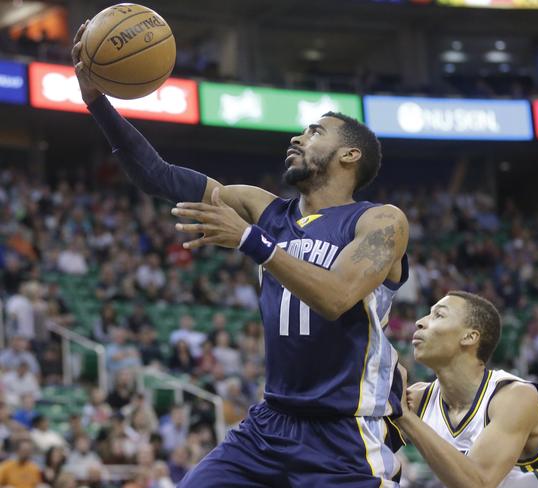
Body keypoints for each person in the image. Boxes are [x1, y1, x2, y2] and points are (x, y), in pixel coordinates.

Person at [72, 19, 409, 487]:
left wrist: (251, 241)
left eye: (314, 132)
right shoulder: (261, 207)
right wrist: (96, 101)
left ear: (350, 155)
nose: (297, 138)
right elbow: (158, 175)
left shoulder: (380, 220)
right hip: (271, 424)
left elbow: (336, 297)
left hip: (343, 433)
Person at [396, 291, 538, 488]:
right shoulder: (417, 399)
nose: (420, 322)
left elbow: (478, 483)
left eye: (438, 315)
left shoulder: (515, 397)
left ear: (470, 336)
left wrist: (405, 417)